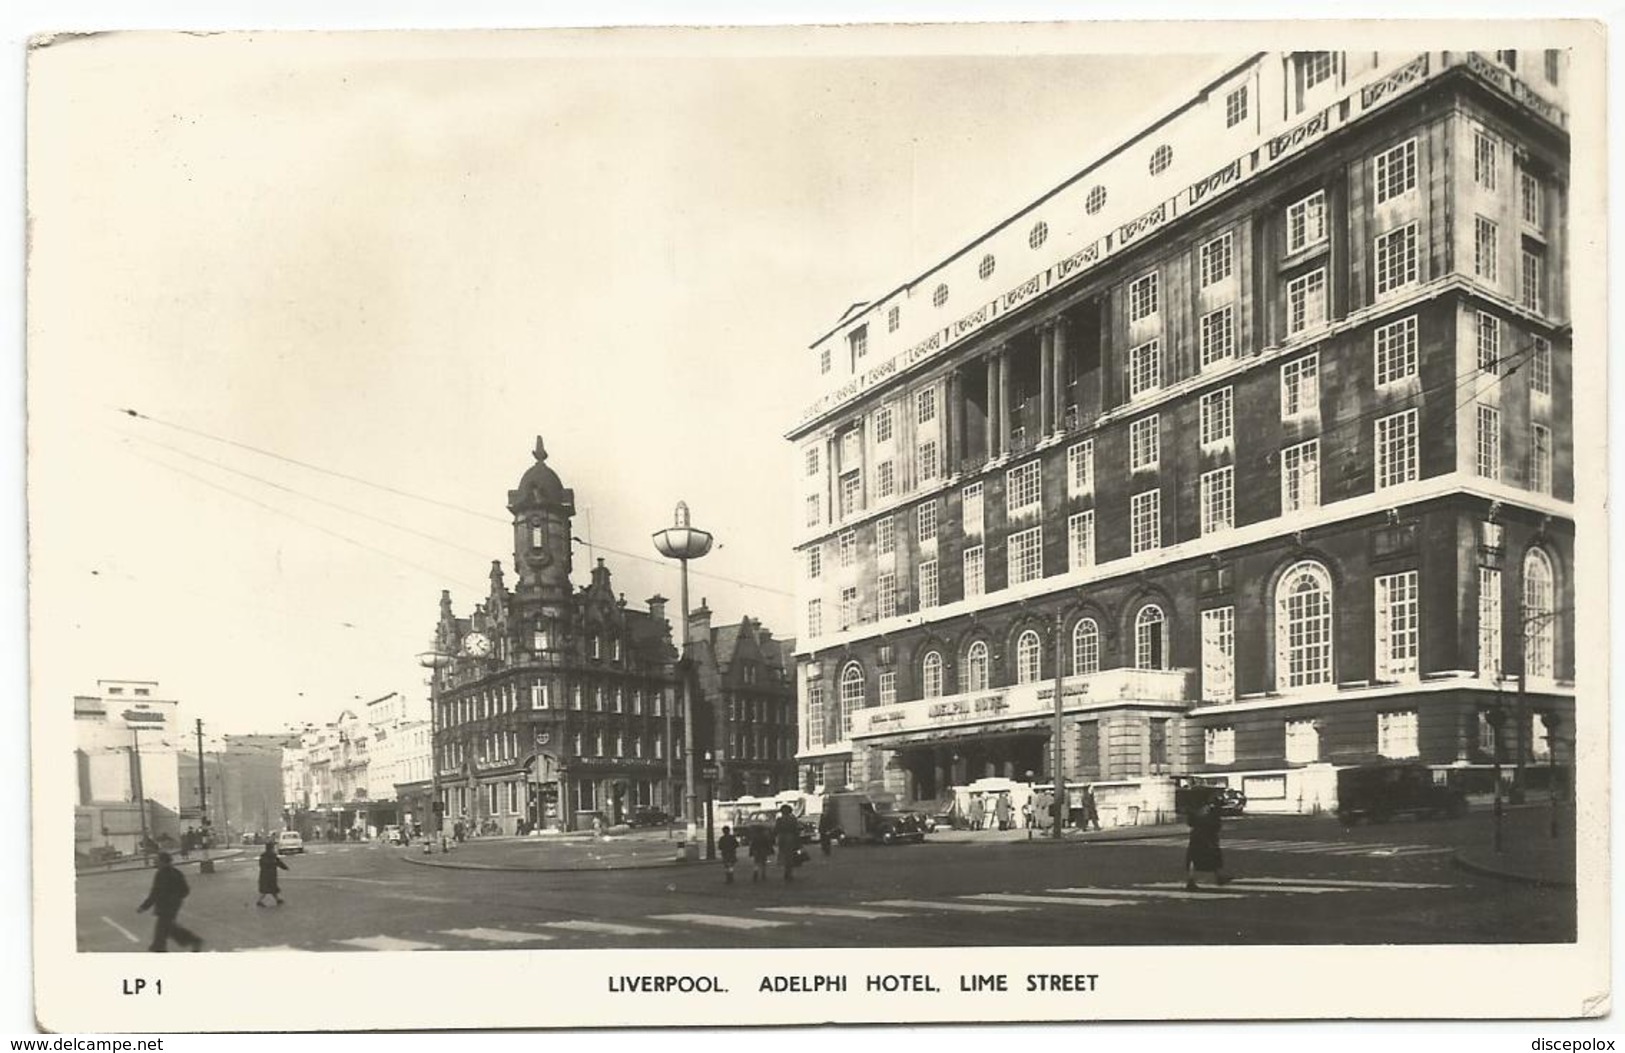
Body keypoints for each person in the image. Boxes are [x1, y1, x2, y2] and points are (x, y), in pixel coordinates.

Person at [137, 852, 203, 952]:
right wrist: (176, 899)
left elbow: (155, 893)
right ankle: (194, 940)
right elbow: (185, 890)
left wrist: (143, 907)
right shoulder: (176, 872)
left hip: (165, 908)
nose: (154, 861)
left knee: (161, 935)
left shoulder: (161, 874)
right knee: (169, 929)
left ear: (163, 862)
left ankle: (160, 950)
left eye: (156, 860)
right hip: (173, 907)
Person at [1185, 799, 1232, 891]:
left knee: (1193, 858)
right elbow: (1216, 825)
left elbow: (1190, 823)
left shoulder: (1193, 810)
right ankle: (1219, 877)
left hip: (1196, 836)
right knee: (1213, 856)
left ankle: (1191, 880)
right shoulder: (1211, 811)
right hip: (1209, 836)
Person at [773, 804, 802, 883]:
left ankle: (786, 870)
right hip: (791, 838)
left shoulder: (779, 820)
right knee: (790, 856)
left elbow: (775, 830)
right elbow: (796, 830)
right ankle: (789, 872)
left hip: (782, 838)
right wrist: (798, 842)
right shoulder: (793, 819)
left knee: (784, 855)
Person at [256, 841, 289, 907]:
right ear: (271, 848)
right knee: (267, 889)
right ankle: (259, 901)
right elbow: (278, 863)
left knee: (272, 888)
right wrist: (285, 867)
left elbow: (262, 864)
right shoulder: (272, 856)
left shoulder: (263, 856)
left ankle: (277, 899)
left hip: (265, 875)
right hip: (269, 875)